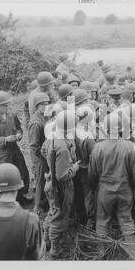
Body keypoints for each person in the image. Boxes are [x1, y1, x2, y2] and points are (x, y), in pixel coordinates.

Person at [88, 113, 135, 258]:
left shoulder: (98, 147)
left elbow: (92, 173)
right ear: (121, 129)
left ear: (105, 129)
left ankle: (102, 253)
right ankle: (133, 256)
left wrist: (94, 188)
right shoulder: (130, 146)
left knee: (102, 221)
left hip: (104, 189)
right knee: (126, 220)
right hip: (125, 189)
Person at [41, 110, 80, 259]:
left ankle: (47, 239)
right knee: (60, 217)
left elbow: (43, 150)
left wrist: (52, 167)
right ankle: (55, 249)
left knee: (52, 212)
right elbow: (63, 176)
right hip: (61, 188)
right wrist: (73, 168)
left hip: (51, 183)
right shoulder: (62, 147)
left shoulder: (52, 137)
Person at [0, 91, 30, 206]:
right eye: (5, 105)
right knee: (5, 177)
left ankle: (20, 197)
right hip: (3, 153)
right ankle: (6, 202)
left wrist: (19, 134)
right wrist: (5, 139)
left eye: (8, 104)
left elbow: (19, 128)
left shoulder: (12, 114)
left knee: (21, 172)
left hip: (14, 149)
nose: (8, 107)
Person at [28, 93, 51, 214]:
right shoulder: (36, 123)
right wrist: (43, 156)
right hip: (39, 156)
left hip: (44, 154)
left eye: (48, 103)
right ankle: (38, 205)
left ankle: (44, 202)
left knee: (45, 178)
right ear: (37, 106)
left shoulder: (44, 116)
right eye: (43, 104)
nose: (46, 106)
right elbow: (33, 145)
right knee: (40, 180)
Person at [74, 105, 97, 228]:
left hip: (75, 167)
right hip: (87, 168)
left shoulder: (72, 131)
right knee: (89, 195)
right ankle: (90, 221)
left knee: (78, 193)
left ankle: (79, 217)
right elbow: (94, 157)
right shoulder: (88, 138)